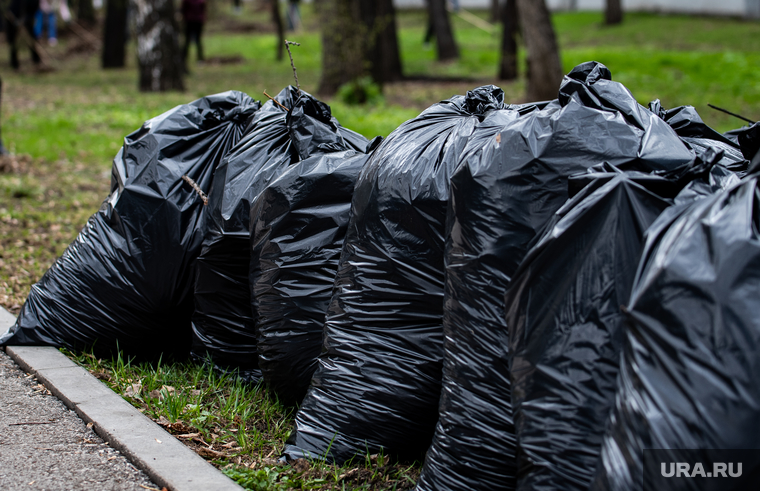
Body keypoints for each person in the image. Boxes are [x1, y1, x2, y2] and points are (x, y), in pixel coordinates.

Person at [5, 0, 41, 69]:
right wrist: (14, 20)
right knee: (13, 42)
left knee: (31, 40)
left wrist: (24, 20)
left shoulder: (34, 2)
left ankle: (36, 59)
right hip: (12, 19)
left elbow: (33, 11)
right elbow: (12, 9)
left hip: (26, 21)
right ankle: (14, 62)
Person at [181, 0, 205, 65]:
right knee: (195, 40)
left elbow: (183, 9)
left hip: (191, 21)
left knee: (189, 40)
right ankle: (199, 58)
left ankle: (184, 58)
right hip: (196, 21)